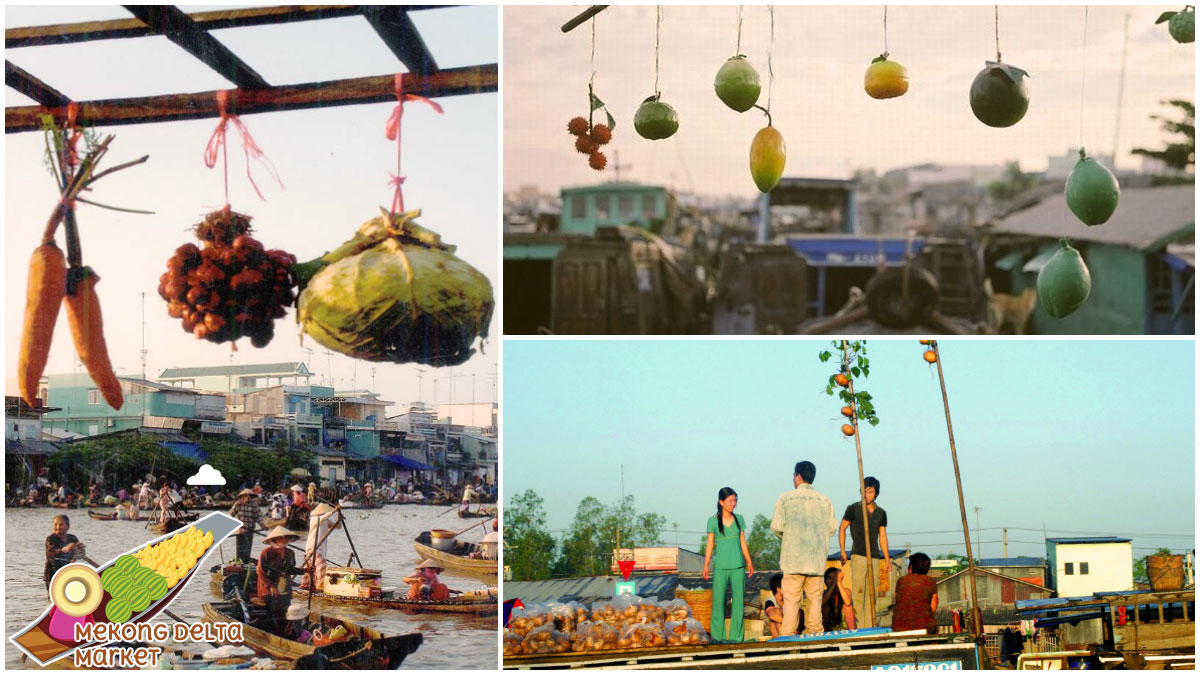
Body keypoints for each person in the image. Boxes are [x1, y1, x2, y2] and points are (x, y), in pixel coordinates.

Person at [770, 461, 837, 636]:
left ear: (798, 476)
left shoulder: (785, 498)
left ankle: (789, 638)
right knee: (815, 600)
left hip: (793, 560)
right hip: (816, 561)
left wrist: (791, 536)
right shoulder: (825, 501)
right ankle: (814, 636)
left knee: (792, 601)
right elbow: (831, 529)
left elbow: (777, 527)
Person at [702, 487, 754, 643]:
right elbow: (710, 544)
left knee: (738, 604)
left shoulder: (739, 519)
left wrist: (749, 561)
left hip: (738, 566)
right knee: (718, 603)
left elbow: (743, 542)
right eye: (730, 501)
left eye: (735, 500)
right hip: (720, 567)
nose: (734, 503)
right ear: (721, 502)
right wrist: (706, 566)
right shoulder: (712, 520)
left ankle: (737, 639)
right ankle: (718, 638)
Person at [838, 476, 890, 628]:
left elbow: (883, 536)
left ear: (876, 493)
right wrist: (842, 550)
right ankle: (860, 627)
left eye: (870, 492)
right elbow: (842, 528)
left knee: (871, 594)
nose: (866, 495)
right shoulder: (854, 508)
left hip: (874, 556)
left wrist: (886, 558)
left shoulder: (881, 513)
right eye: (864, 491)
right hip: (858, 554)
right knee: (859, 594)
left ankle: (870, 626)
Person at [257, 526, 305, 635]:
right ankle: (275, 634)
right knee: (274, 612)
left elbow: (290, 569)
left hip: (285, 587)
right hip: (269, 589)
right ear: (276, 539)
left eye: (288, 538)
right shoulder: (267, 552)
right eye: (283, 538)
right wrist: (271, 587)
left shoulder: (290, 553)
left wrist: (305, 571)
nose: (286, 540)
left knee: (286, 611)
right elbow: (260, 572)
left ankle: (286, 633)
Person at [892, 552, 938, 635]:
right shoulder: (931, 581)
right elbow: (933, 608)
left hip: (899, 628)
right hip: (924, 628)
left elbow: (898, 601)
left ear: (911, 567)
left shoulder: (901, 581)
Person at [301, 503, 342, 592]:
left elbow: (338, 527)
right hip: (313, 547)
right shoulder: (314, 519)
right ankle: (320, 585)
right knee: (321, 565)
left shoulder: (326, 521)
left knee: (313, 568)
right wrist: (334, 511)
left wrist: (339, 518)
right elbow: (322, 518)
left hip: (321, 548)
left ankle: (311, 585)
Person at [45, 515, 85, 590]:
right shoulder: (51, 539)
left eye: (61, 525)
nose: (57, 527)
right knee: (54, 598)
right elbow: (51, 552)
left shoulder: (72, 538)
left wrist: (81, 548)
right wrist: (65, 549)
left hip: (69, 572)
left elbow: (80, 555)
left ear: (68, 526)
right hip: (53, 573)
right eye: (55, 525)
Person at [228, 489, 262, 563]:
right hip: (239, 530)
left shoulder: (254, 505)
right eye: (246, 496)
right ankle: (239, 562)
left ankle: (246, 562)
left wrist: (263, 525)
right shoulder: (238, 504)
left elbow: (258, 517)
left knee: (247, 549)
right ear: (243, 497)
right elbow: (231, 514)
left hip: (249, 530)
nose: (248, 498)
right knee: (239, 549)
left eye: (250, 496)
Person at [821, 566, 856, 631]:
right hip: (829, 629)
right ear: (825, 580)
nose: (831, 580)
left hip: (845, 628)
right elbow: (822, 604)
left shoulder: (846, 591)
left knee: (848, 607)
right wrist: (834, 584)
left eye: (834, 578)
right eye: (829, 578)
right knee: (825, 608)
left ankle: (852, 633)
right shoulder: (824, 593)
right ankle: (824, 636)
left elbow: (848, 603)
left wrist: (839, 582)